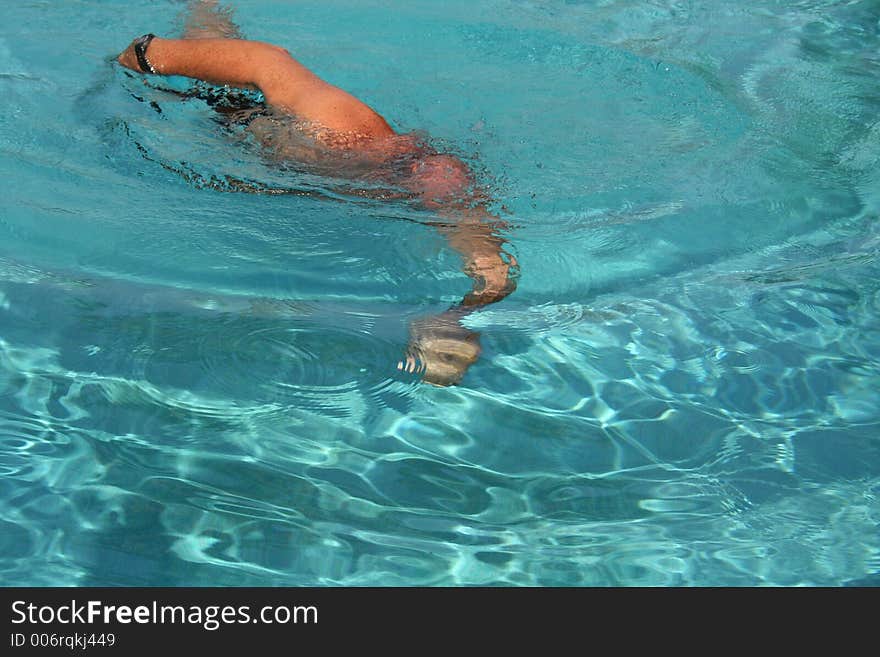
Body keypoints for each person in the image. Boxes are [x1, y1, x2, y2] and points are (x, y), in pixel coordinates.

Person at [116, 0, 518, 386]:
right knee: (211, 65)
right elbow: (267, 61)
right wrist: (140, 61)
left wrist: (457, 319)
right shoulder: (340, 130)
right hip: (241, 124)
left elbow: (493, 275)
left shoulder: (443, 187)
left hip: (268, 165)